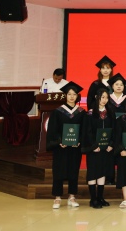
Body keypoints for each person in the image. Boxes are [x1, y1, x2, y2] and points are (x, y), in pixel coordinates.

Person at [46, 81, 86, 209]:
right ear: (65, 95)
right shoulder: (58, 112)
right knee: (59, 171)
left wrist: (79, 140)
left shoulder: (81, 112)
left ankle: (72, 196)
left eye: (74, 94)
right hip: (61, 148)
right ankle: (57, 197)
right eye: (69, 94)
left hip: (74, 148)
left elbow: (84, 130)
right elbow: (53, 130)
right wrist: (59, 141)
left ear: (77, 96)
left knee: (73, 171)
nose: (72, 96)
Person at [81, 88, 115, 209]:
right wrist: (93, 146)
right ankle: (93, 199)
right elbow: (88, 132)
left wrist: (111, 144)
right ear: (96, 98)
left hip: (105, 149)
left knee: (102, 172)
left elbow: (114, 129)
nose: (104, 100)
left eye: (106, 97)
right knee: (93, 173)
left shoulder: (110, 113)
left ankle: (100, 197)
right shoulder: (90, 114)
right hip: (94, 149)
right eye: (102, 97)